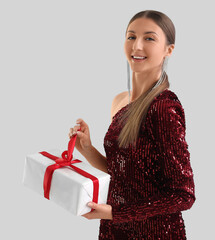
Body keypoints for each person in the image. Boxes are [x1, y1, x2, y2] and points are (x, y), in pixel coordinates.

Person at [68, 10, 196, 239]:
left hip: (155, 233)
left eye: (149, 38)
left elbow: (183, 195)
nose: (137, 46)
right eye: (131, 36)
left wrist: (117, 213)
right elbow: (127, 175)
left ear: (169, 50)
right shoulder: (119, 101)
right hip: (115, 230)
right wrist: (87, 149)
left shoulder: (163, 108)